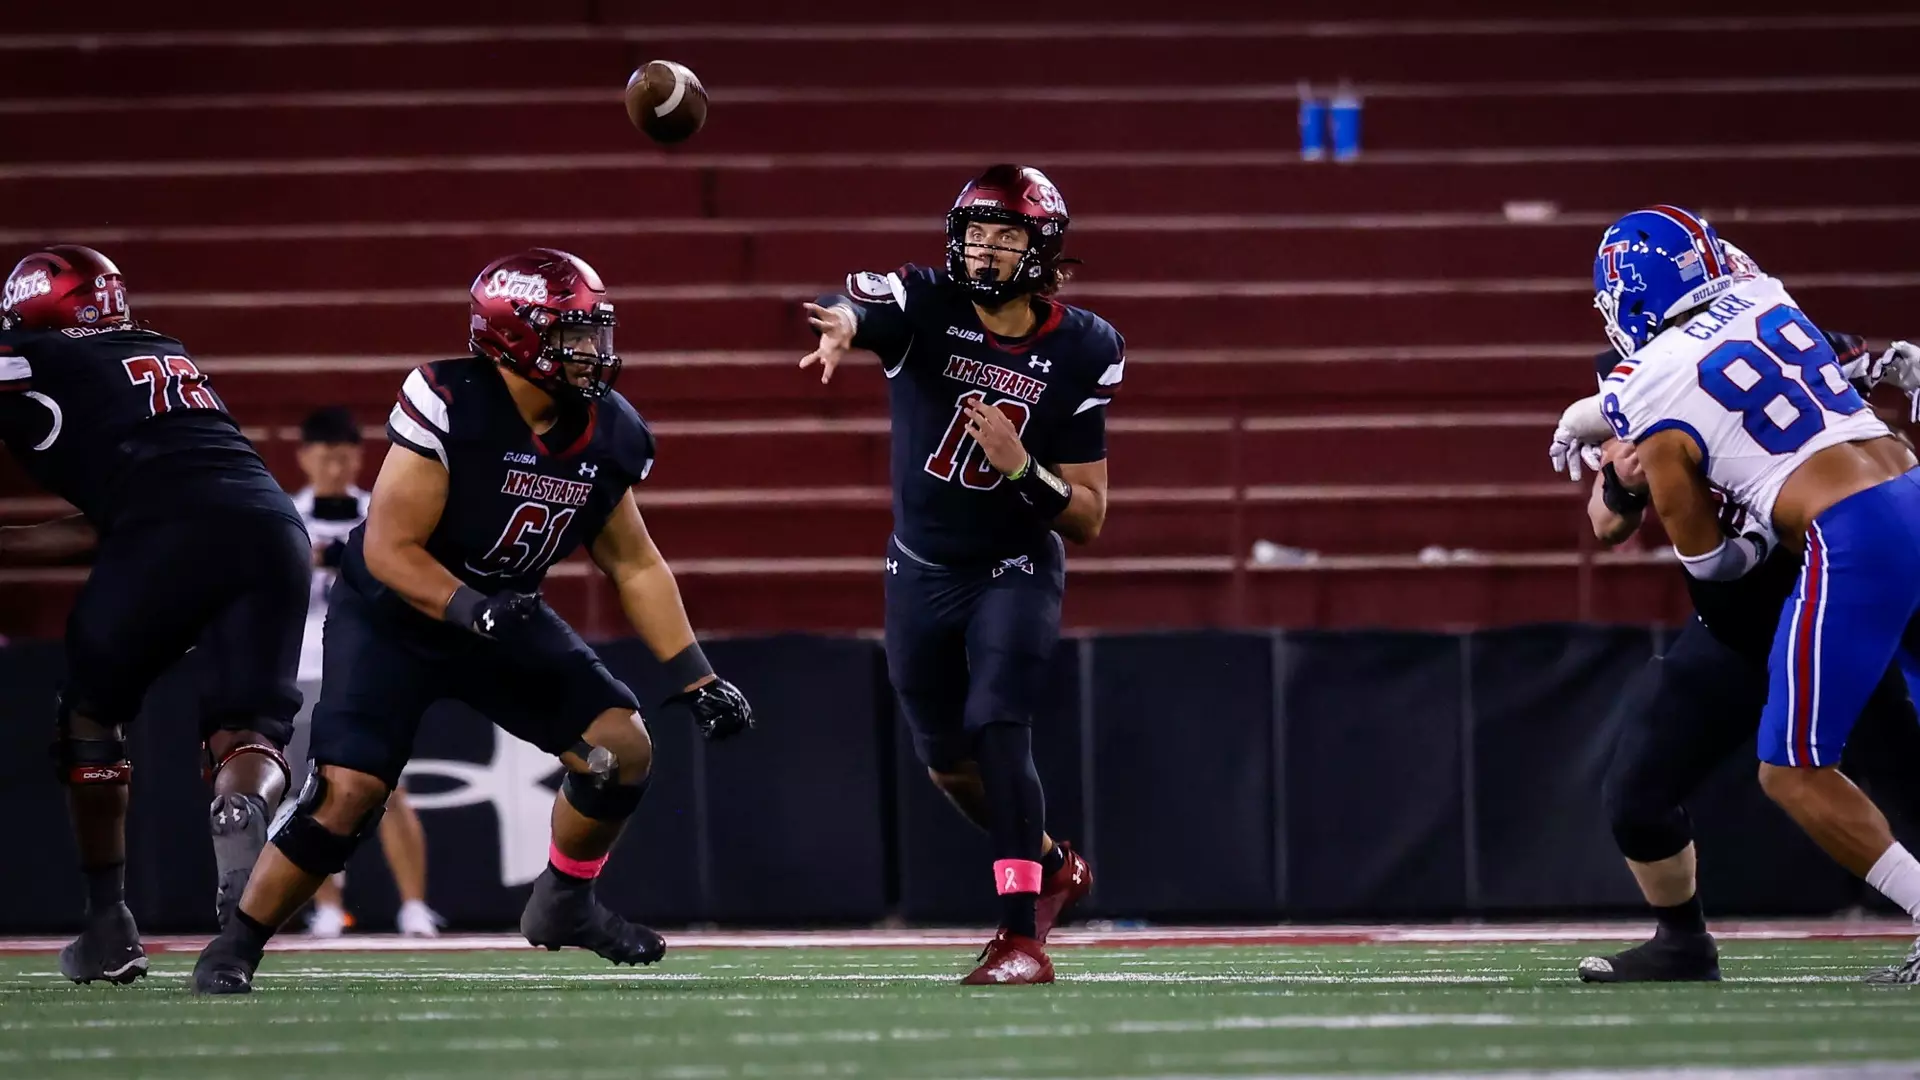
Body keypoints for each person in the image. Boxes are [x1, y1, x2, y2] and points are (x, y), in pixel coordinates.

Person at [192, 248, 754, 994]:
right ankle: (236, 944)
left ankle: (564, 901)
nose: (593, 352)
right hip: (396, 615)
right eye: (572, 335)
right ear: (514, 338)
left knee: (622, 746)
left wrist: (695, 675)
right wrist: (472, 607)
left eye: (594, 333)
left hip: (500, 612)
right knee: (351, 792)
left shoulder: (607, 430)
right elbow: (391, 551)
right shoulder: (452, 399)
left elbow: (634, 563)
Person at [1590, 205, 1920, 984]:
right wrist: (1618, 475)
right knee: (1640, 786)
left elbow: (1710, 560)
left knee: (1817, 770)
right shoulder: (1766, 301)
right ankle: (1681, 943)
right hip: (1828, 559)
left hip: (1831, 566)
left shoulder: (1647, 382)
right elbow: (1607, 516)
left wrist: (1729, 529)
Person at [801, 165, 1114, 984]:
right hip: (919, 568)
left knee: (997, 723)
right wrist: (842, 326)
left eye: (1007, 233)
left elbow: (1086, 515)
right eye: (975, 231)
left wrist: (1021, 470)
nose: (985, 248)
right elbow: (867, 307)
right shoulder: (926, 303)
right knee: (947, 763)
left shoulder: (1083, 346)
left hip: (1013, 565)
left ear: (1041, 247)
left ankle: (1021, 939)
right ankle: (1050, 865)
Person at [0, 245, 307, 983]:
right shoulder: (161, 351)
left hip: (167, 530)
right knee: (249, 732)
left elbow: (156, 513)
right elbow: (116, 511)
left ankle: (108, 924)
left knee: (89, 717)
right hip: (270, 525)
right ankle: (246, 814)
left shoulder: (29, 356)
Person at [288, 406, 440, 938]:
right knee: (310, 792)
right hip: (304, 665)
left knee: (390, 788)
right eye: (325, 456)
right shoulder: (287, 515)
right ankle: (327, 906)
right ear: (305, 457)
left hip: (364, 664)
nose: (334, 466)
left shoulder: (381, 512)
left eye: (344, 456)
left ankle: (415, 906)